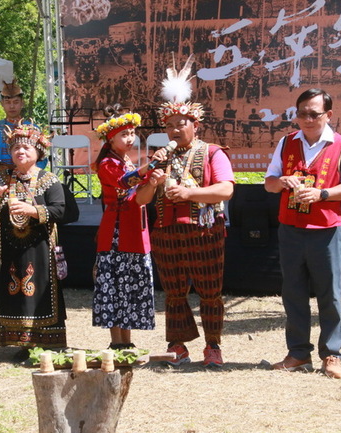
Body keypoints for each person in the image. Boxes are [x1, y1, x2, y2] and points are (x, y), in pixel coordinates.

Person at [138, 55, 235, 367]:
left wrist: (190, 193)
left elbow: (226, 189)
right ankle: (177, 345)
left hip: (205, 230)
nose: (175, 129)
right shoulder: (160, 157)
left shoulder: (213, 152)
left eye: (182, 123)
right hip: (167, 230)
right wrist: (153, 183)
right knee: (174, 292)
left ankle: (213, 346)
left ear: (196, 125)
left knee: (209, 291)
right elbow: (141, 200)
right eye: (170, 125)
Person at [264, 88, 341, 379]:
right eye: (301, 113)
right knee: (292, 291)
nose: (306, 119)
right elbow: (268, 183)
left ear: (328, 115)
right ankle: (297, 353)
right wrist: (282, 181)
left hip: (326, 230)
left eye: (314, 113)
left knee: (329, 294)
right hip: (291, 228)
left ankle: (331, 354)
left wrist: (322, 193)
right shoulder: (286, 142)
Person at [0, 121, 67, 361]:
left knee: (41, 290)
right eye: (16, 148)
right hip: (11, 247)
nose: (20, 152)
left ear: (38, 152)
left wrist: (32, 210)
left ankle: (47, 341)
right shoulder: (1, 178)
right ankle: (23, 343)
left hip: (40, 248)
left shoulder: (49, 180)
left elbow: (61, 211)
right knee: (15, 291)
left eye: (26, 148)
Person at [91, 104, 163, 350]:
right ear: (110, 138)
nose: (130, 138)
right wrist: (151, 166)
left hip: (133, 229)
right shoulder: (108, 164)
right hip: (117, 233)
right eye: (124, 134)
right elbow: (124, 183)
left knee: (129, 285)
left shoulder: (127, 161)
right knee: (115, 286)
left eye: (133, 133)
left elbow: (140, 195)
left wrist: (152, 182)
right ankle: (116, 342)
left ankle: (127, 342)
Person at [0, 80, 47, 171]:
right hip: (1, 179)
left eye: (16, 102)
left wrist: (30, 172)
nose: (12, 106)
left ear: (22, 103)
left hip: (28, 178)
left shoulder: (33, 128)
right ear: (2, 104)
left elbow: (42, 159)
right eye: (8, 102)